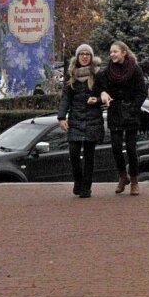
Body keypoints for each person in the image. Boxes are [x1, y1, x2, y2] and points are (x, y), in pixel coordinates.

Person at [98, 40, 149, 196]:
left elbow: (142, 92)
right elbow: (99, 86)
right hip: (115, 112)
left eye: (115, 51)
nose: (112, 54)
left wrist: (133, 107)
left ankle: (134, 181)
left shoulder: (134, 69)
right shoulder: (107, 71)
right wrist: (103, 93)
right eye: (111, 52)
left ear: (123, 53)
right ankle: (122, 176)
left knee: (132, 149)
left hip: (131, 113)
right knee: (115, 147)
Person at [58, 44, 103, 198]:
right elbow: (66, 98)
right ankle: (78, 180)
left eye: (87, 54)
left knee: (89, 156)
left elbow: (105, 96)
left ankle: (86, 188)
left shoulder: (98, 74)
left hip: (92, 120)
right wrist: (61, 117)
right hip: (76, 120)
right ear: (77, 57)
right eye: (81, 54)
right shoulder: (72, 74)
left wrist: (96, 100)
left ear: (91, 57)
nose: (84, 57)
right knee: (74, 152)